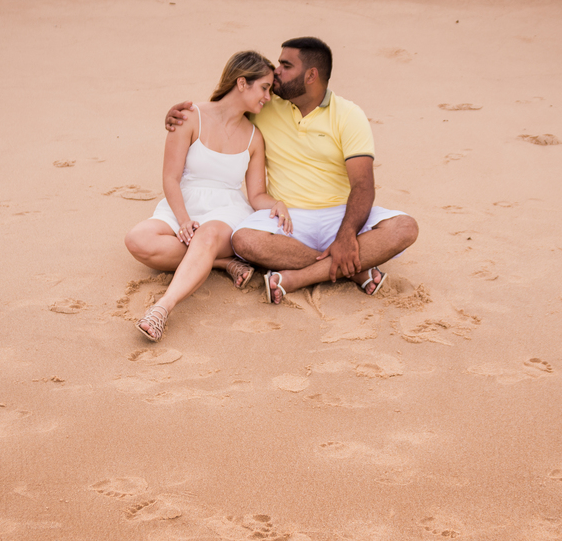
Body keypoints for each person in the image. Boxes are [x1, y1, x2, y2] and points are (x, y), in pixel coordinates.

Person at [166, 37, 417, 305]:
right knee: (244, 240)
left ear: (311, 75)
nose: (276, 72)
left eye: (286, 66)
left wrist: (346, 235)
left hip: (340, 215)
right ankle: (353, 270)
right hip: (287, 221)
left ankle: (299, 278)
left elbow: (363, 185)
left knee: (405, 227)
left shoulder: (348, 115)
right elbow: (224, 111)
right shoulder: (265, 105)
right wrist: (180, 117)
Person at [125, 51, 291, 341]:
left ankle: (162, 308)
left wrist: (276, 204)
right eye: (264, 88)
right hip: (184, 202)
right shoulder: (189, 116)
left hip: (227, 210)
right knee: (137, 239)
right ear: (242, 83)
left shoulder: (254, 137)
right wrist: (183, 220)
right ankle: (219, 262)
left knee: (207, 235)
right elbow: (170, 178)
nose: (268, 97)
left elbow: (256, 195)